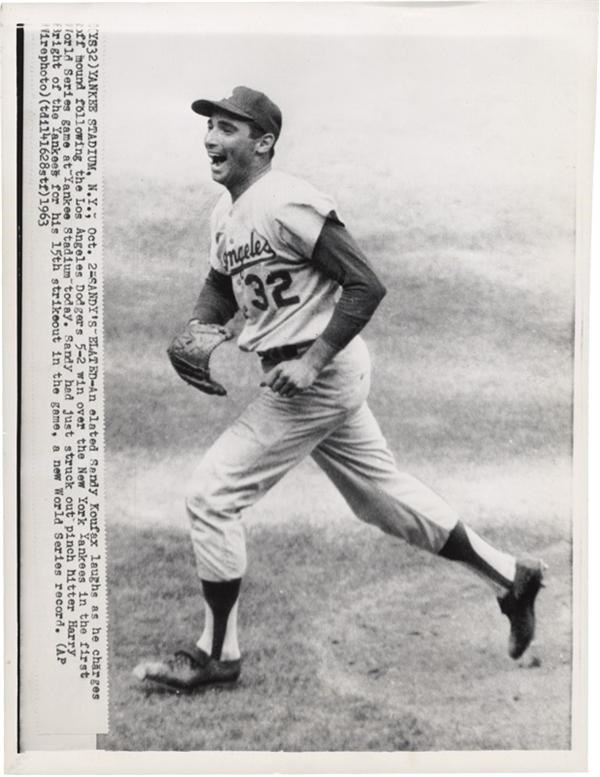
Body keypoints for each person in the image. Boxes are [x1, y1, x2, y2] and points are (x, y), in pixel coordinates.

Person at [133, 86, 545, 692]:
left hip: (317, 377)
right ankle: (512, 578)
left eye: (227, 129)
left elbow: (364, 285)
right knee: (380, 498)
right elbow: (221, 281)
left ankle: (216, 654)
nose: (211, 140)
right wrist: (202, 322)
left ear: (263, 142)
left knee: (211, 495)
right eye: (210, 128)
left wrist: (314, 360)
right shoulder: (226, 215)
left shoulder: (288, 202)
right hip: (313, 374)